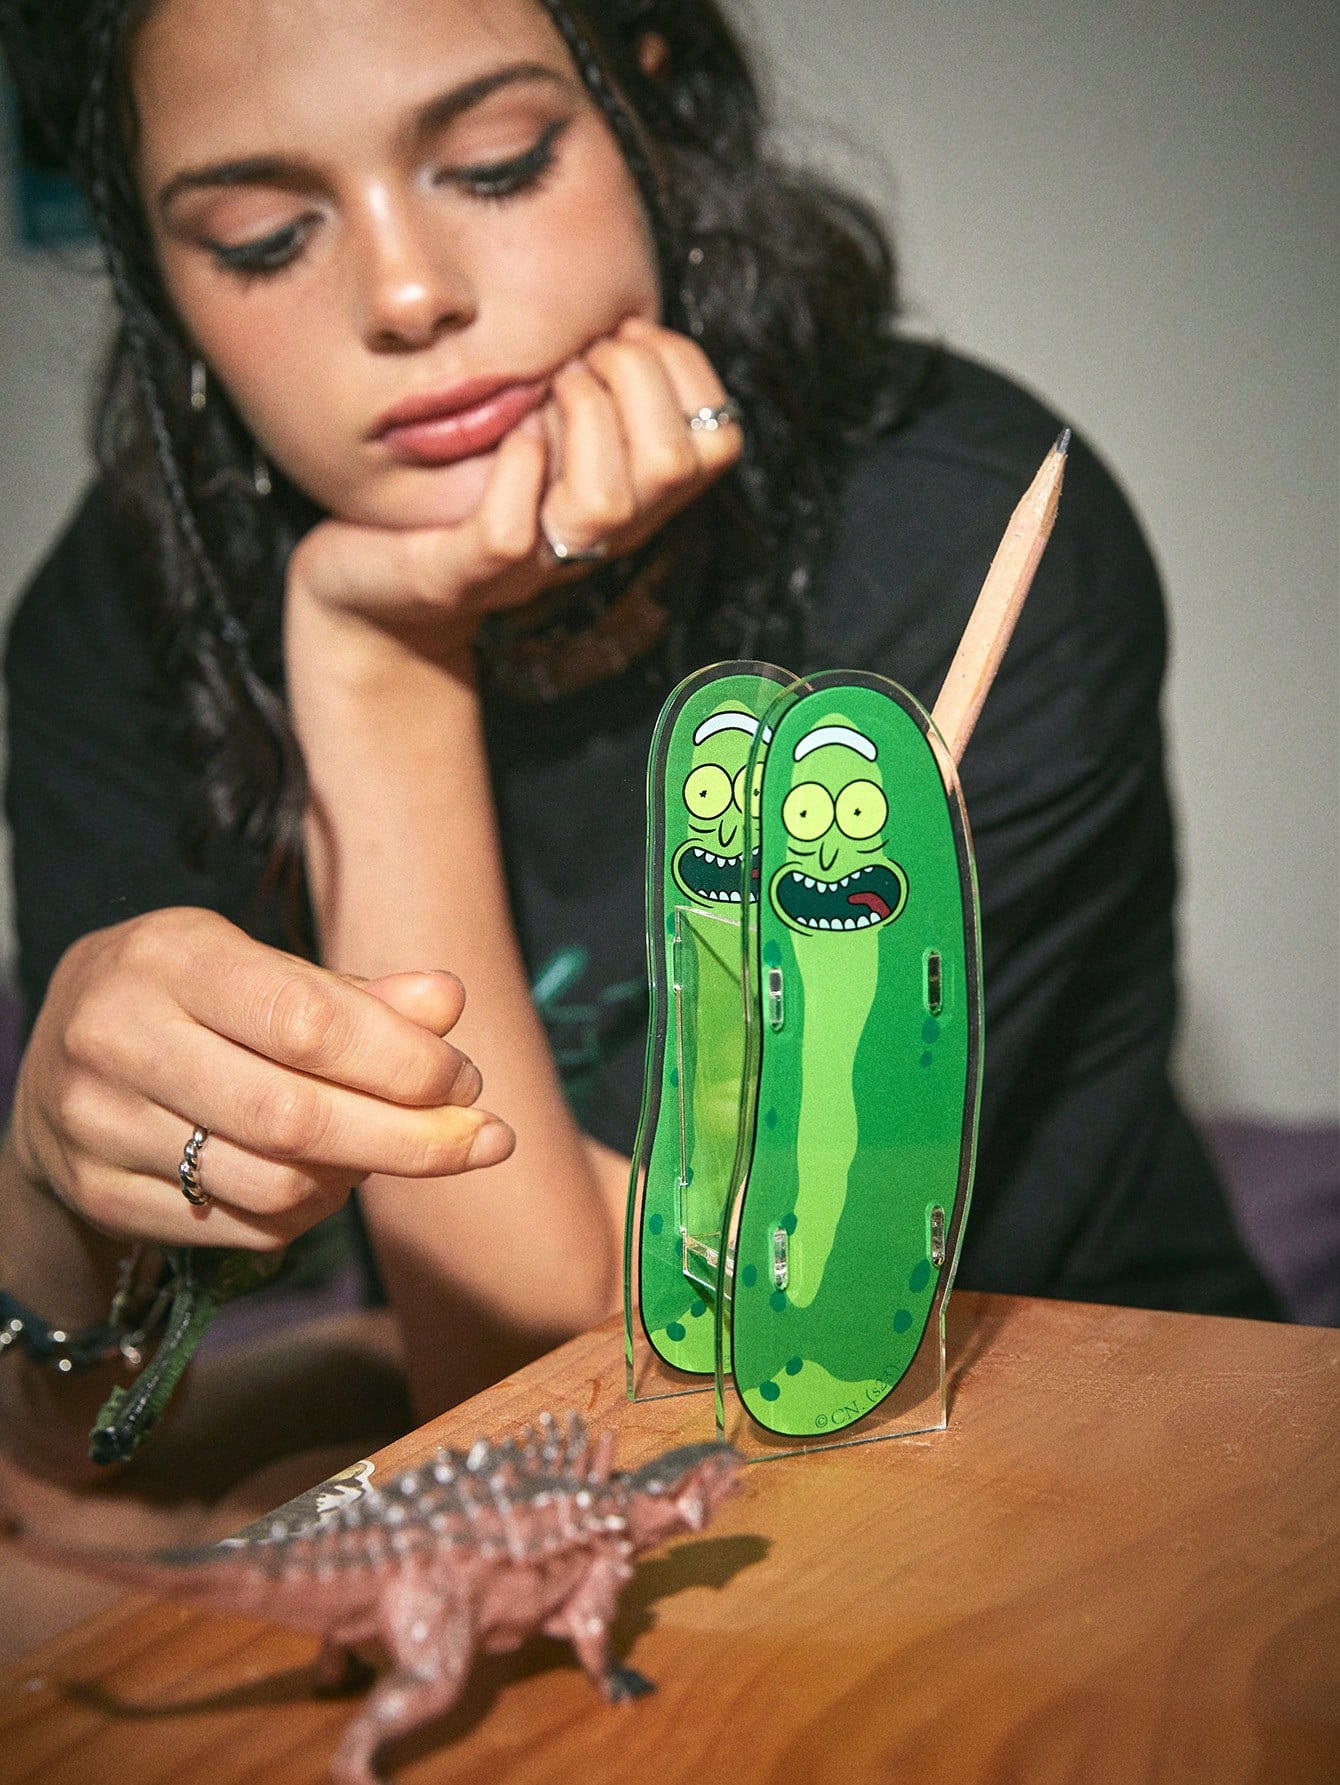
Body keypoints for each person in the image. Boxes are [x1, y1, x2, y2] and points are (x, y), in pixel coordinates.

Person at [0, 0, 1278, 1535]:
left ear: (645, 99)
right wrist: (48, 1186)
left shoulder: (954, 538)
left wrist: (376, 662)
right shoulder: (125, 621)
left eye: (497, 163)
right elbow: (66, 1444)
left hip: (1091, 1453)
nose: (406, 294)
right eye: (264, 241)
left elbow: (591, 1388)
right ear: (158, 282)